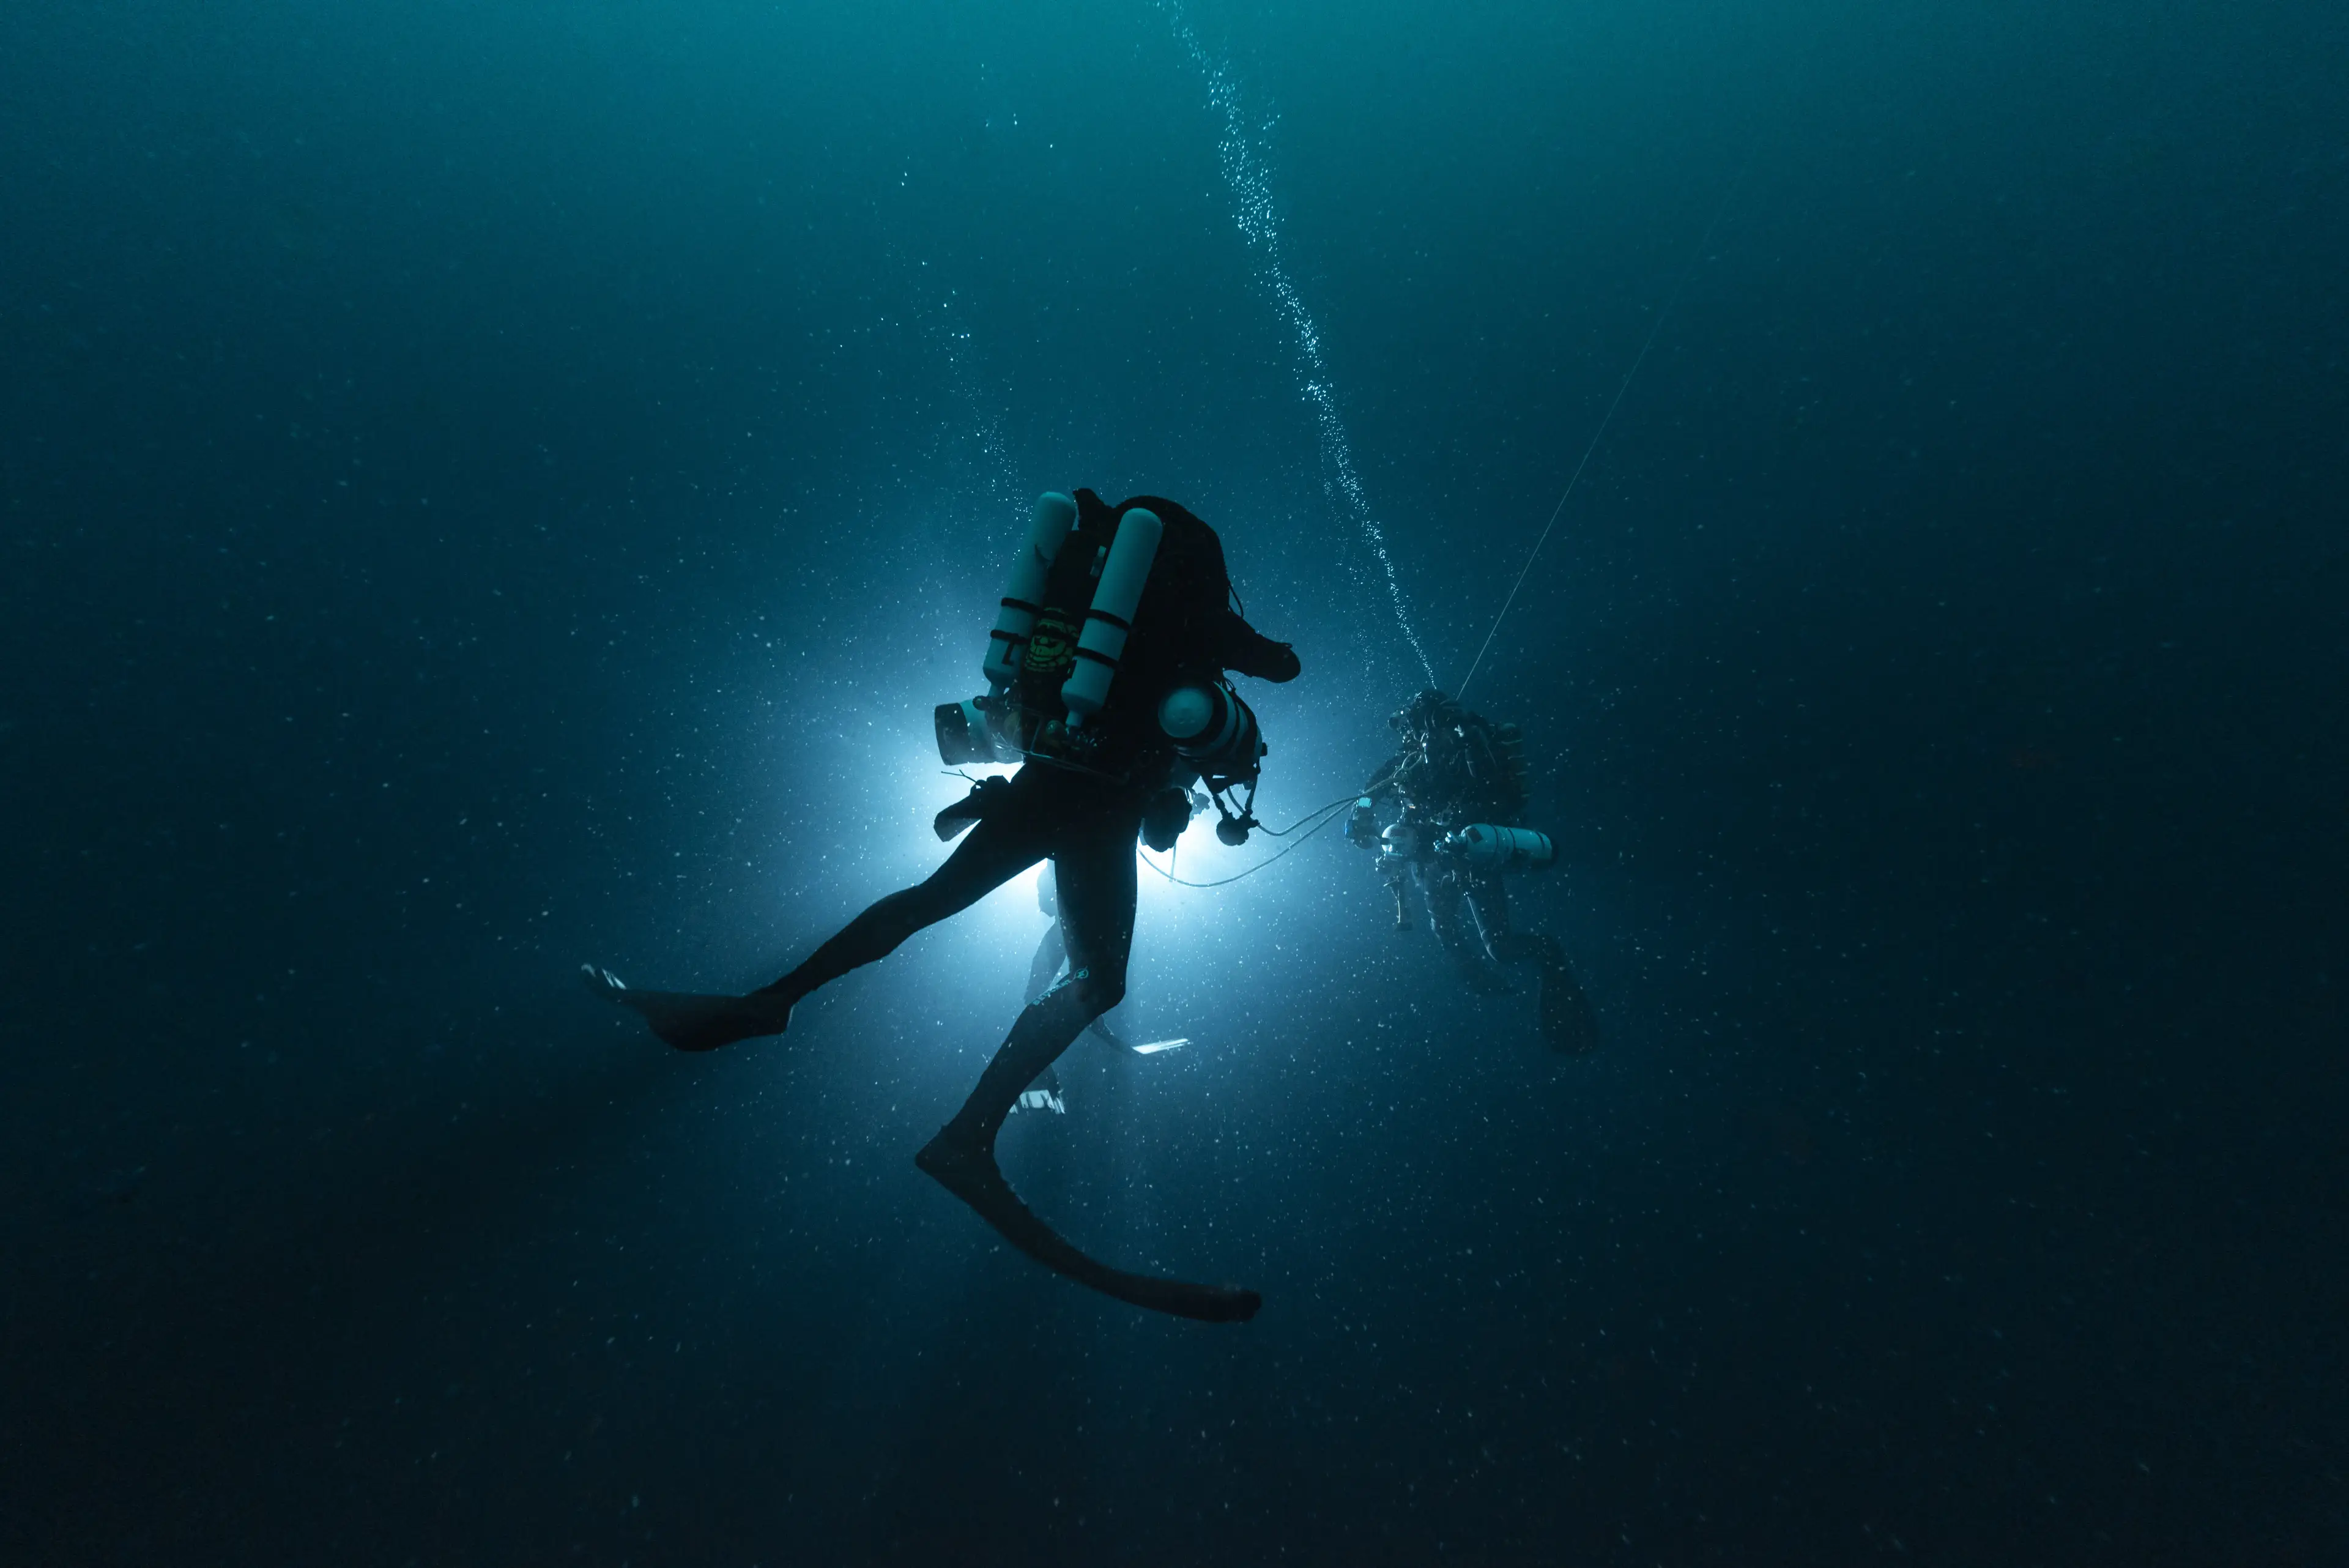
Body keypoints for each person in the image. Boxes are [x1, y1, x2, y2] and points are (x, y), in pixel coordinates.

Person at [587, 490, 1297, 1321]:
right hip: (1101, 805)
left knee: (929, 900)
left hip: (1043, 782)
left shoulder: (1080, 598)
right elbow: (1279, 667)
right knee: (1100, 980)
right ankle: (969, 1135)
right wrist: (1245, 645)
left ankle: (771, 998)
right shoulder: (1186, 606)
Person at [1345, 689, 1598, 1053]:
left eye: (1419, 725)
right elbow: (1369, 791)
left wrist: (1457, 820)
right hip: (1431, 859)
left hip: (1467, 852)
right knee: (1450, 932)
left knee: (1498, 946)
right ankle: (1478, 970)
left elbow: (1496, 794)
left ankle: (1546, 957)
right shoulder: (1406, 763)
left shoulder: (1470, 747)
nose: (1418, 736)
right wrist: (1361, 816)